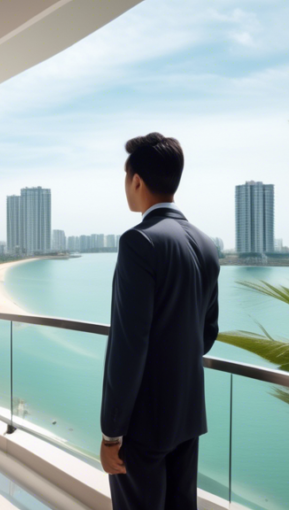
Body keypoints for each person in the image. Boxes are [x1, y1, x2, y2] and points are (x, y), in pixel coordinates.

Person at [100, 133, 220, 509]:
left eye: (126, 177)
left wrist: (111, 434)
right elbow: (208, 332)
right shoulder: (205, 243)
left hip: (144, 425)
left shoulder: (139, 241)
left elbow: (128, 344)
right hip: (187, 414)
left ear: (136, 180)